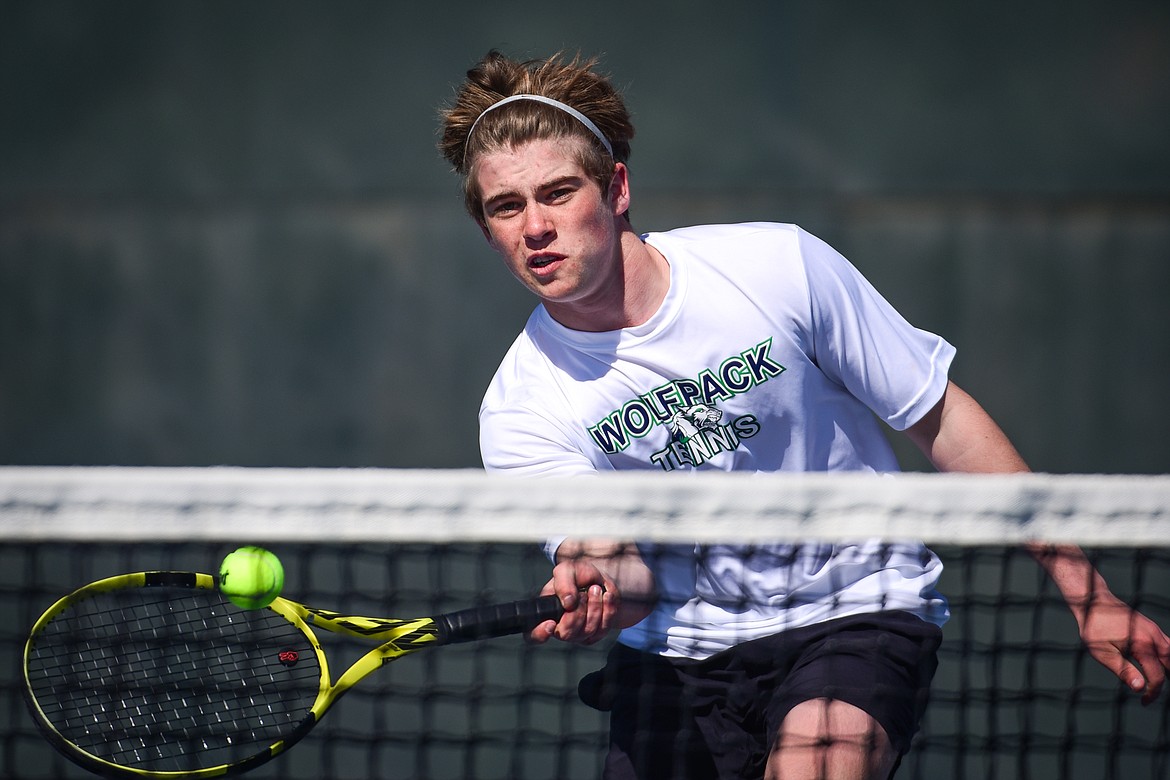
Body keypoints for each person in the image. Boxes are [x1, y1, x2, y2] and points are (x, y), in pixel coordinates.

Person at [437, 51, 1170, 780]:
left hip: (855, 606)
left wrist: (1089, 592)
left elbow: (941, 422)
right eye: (508, 206)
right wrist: (594, 583)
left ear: (617, 187)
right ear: (487, 229)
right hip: (678, 659)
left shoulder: (776, 267)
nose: (536, 225)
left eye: (559, 193)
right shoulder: (520, 405)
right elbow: (618, 567)